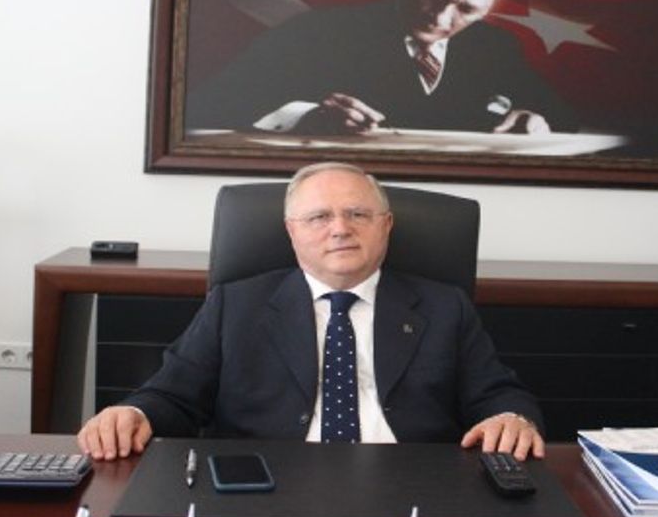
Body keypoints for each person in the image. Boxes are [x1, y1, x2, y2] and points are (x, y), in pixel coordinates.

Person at [76, 161, 545, 461]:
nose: (340, 229)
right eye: (319, 217)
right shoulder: (236, 305)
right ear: (291, 231)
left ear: (386, 225)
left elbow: (498, 394)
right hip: (267, 483)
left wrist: (511, 418)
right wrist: (134, 412)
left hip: (414, 486)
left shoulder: (444, 307)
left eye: (358, 214)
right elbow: (173, 396)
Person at [185, 0, 579, 136]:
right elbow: (210, 104)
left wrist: (535, 120)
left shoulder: (494, 47)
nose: (441, 17)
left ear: (491, 7)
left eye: (467, 9)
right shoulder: (317, 32)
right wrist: (305, 116)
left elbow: (563, 116)